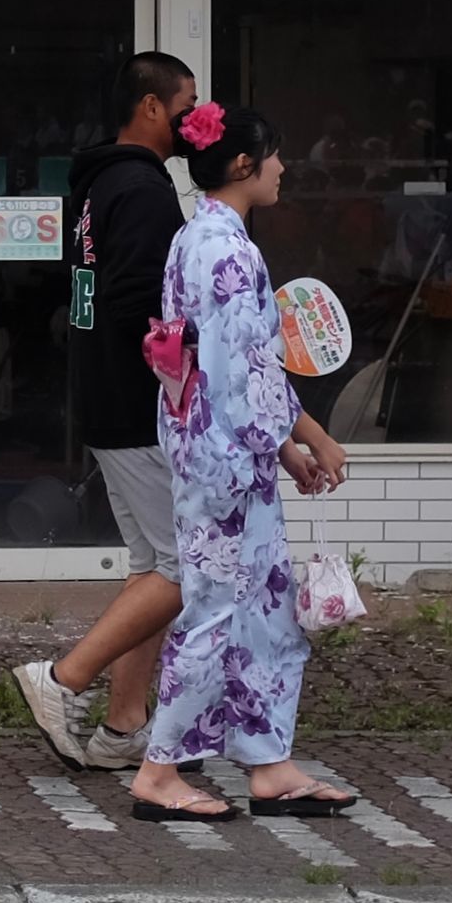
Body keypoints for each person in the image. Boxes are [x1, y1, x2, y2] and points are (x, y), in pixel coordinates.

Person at [129, 101, 352, 823]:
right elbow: (246, 371)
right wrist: (310, 435)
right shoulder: (228, 251)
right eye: (275, 156)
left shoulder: (195, 239)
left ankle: (270, 763)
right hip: (226, 465)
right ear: (243, 165)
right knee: (220, 612)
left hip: (221, 455)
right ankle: (160, 770)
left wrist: (282, 446)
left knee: (262, 613)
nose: (284, 169)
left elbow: (229, 374)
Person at [13, 51, 201, 769]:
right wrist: (187, 374)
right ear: (151, 107)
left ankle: (124, 726)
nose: (196, 120)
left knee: (153, 563)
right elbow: (140, 306)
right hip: (136, 403)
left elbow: (96, 298)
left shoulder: (99, 188)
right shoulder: (146, 193)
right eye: (187, 104)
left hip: (102, 396)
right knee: (184, 566)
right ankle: (63, 679)